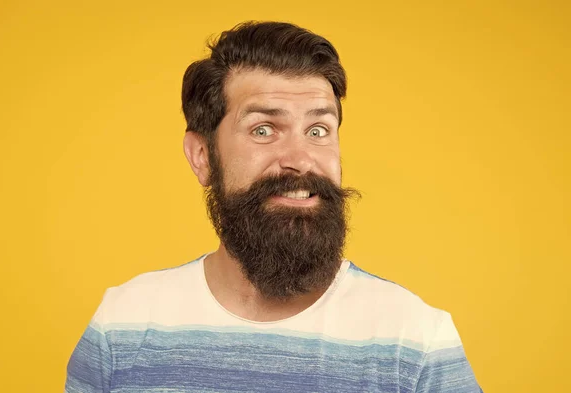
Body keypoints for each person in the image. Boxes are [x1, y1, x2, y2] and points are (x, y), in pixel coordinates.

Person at [66, 21, 482, 392]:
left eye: (318, 129)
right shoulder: (122, 326)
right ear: (202, 156)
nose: (300, 158)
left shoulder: (416, 341)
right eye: (263, 129)